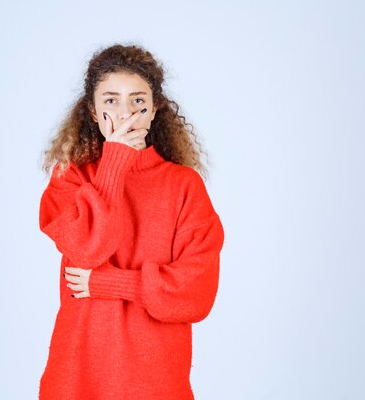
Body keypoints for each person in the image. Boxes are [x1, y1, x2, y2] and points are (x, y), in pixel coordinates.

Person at [37, 43, 225, 400]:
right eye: (111, 101)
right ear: (92, 112)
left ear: (154, 110)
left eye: (138, 101)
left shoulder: (184, 186)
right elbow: (88, 248)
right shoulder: (70, 178)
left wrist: (110, 284)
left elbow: (195, 294)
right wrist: (115, 162)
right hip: (78, 376)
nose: (125, 114)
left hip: (153, 382)